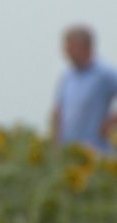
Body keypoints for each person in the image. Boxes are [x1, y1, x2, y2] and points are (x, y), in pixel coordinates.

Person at [53, 25, 117, 153]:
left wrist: (111, 122)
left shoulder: (104, 73)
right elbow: (59, 110)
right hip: (68, 152)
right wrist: (56, 143)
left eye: (70, 47)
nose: (67, 52)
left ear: (85, 47)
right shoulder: (68, 76)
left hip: (95, 152)